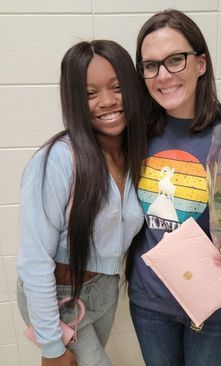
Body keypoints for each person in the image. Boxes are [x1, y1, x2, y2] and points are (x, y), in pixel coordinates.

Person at [125, 9, 221, 366]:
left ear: (200, 63)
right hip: (151, 303)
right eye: (151, 65)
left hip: (214, 302)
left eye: (175, 60)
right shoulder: (135, 133)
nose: (163, 75)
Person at [16, 40, 146, 366]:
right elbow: (34, 260)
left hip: (105, 292)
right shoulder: (57, 159)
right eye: (90, 94)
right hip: (61, 295)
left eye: (117, 87)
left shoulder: (138, 156)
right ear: (75, 100)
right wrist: (51, 347)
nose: (107, 101)